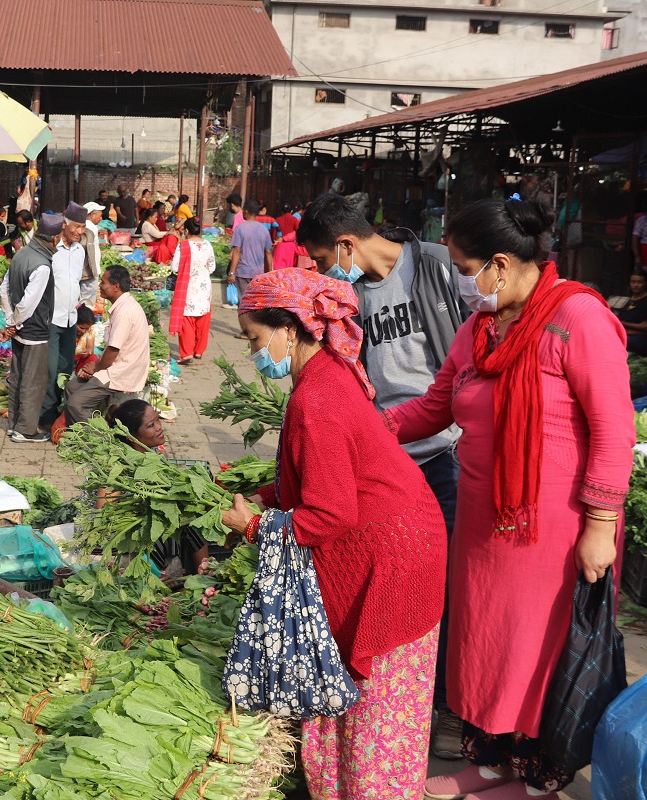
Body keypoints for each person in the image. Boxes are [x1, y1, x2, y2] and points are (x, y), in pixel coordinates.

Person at [381, 198, 633, 800]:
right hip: (482, 521)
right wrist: (366, 426)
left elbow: (614, 429)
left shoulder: (577, 318)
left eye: (465, 268)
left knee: (538, 650)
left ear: (498, 264)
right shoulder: (479, 329)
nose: (462, 282)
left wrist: (600, 524)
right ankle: (494, 762)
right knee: (486, 644)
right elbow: (435, 405)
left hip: (554, 527)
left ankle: (539, 777)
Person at [220, 270, 446, 800]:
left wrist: (253, 525)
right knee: (355, 704)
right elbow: (328, 472)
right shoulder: (329, 372)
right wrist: (268, 494)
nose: (255, 352)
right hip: (401, 539)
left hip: (392, 560)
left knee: (377, 719)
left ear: (290, 329)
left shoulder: (313, 399)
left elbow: (330, 513)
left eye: (255, 339)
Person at [297, 190, 469, 754]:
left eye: (323, 259)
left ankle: (444, 709)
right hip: (390, 456)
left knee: (440, 591)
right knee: (395, 586)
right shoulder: (352, 297)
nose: (324, 271)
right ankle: (394, 705)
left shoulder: (438, 268)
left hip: (444, 452)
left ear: (346, 243)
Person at [104, 399, 210, 573]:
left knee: (193, 519)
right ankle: (189, 576)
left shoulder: (148, 453)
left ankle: (206, 574)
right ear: (131, 435)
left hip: (144, 526)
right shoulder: (119, 462)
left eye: (158, 420)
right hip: (121, 538)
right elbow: (105, 509)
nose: (160, 427)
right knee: (178, 524)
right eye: (151, 425)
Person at [0, 213, 59, 443]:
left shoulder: (22, 253)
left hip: (20, 329)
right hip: (33, 330)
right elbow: (28, 303)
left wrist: (9, 321)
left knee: (17, 377)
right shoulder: (42, 266)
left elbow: (4, 288)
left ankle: (14, 424)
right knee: (33, 382)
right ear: (53, 239)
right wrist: (14, 322)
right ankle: (26, 430)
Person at [64, 266, 150, 426]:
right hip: (114, 367)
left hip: (122, 372)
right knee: (71, 387)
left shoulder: (124, 312)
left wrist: (96, 369)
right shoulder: (123, 306)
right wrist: (96, 366)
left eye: (103, 283)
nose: (100, 286)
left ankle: (98, 441)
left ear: (116, 286)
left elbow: (113, 350)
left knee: (76, 404)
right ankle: (76, 435)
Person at [40, 203, 90, 428]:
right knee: (50, 370)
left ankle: (61, 410)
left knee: (65, 368)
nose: (80, 232)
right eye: (77, 227)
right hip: (51, 319)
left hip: (70, 318)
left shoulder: (80, 251)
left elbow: (76, 283)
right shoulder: (52, 248)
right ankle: (46, 414)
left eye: (83, 228)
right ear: (65, 224)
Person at [170, 217, 216, 364]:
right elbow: (212, 267)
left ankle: (187, 352)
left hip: (188, 287)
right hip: (204, 286)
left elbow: (175, 267)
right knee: (202, 319)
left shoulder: (183, 246)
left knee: (187, 320)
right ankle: (198, 351)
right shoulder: (207, 244)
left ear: (187, 230)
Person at [227, 200, 273, 312]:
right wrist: (269, 272)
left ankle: (246, 327)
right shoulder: (264, 230)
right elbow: (268, 252)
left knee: (244, 303)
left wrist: (232, 272)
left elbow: (237, 250)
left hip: (243, 272)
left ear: (246, 211)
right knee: (255, 303)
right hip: (258, 272)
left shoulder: (240, 228)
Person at [616, 268, 647, 357]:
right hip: (624, 333)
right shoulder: (627, 300)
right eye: (633, 282)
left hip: (641, 339)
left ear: (645, 283)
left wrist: (624, 325)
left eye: (639, 282)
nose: (635, 285)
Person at [81, 202, 105, 304]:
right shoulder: (90, 228)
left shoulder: (86, 226)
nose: (101, 219)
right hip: (89, 271)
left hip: (86, 270)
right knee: (87, 300)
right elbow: (89, 252)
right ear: (92, 214)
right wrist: (93, 272)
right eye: (100, 215)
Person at [74, 305, 98, 373]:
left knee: (93, 357)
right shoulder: (68, 330)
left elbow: (90, 349)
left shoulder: (90, 330)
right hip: (67, 362)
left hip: (80, 363)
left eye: (86, 329)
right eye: (81, 328)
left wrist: (88, 352)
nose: (84, 331)